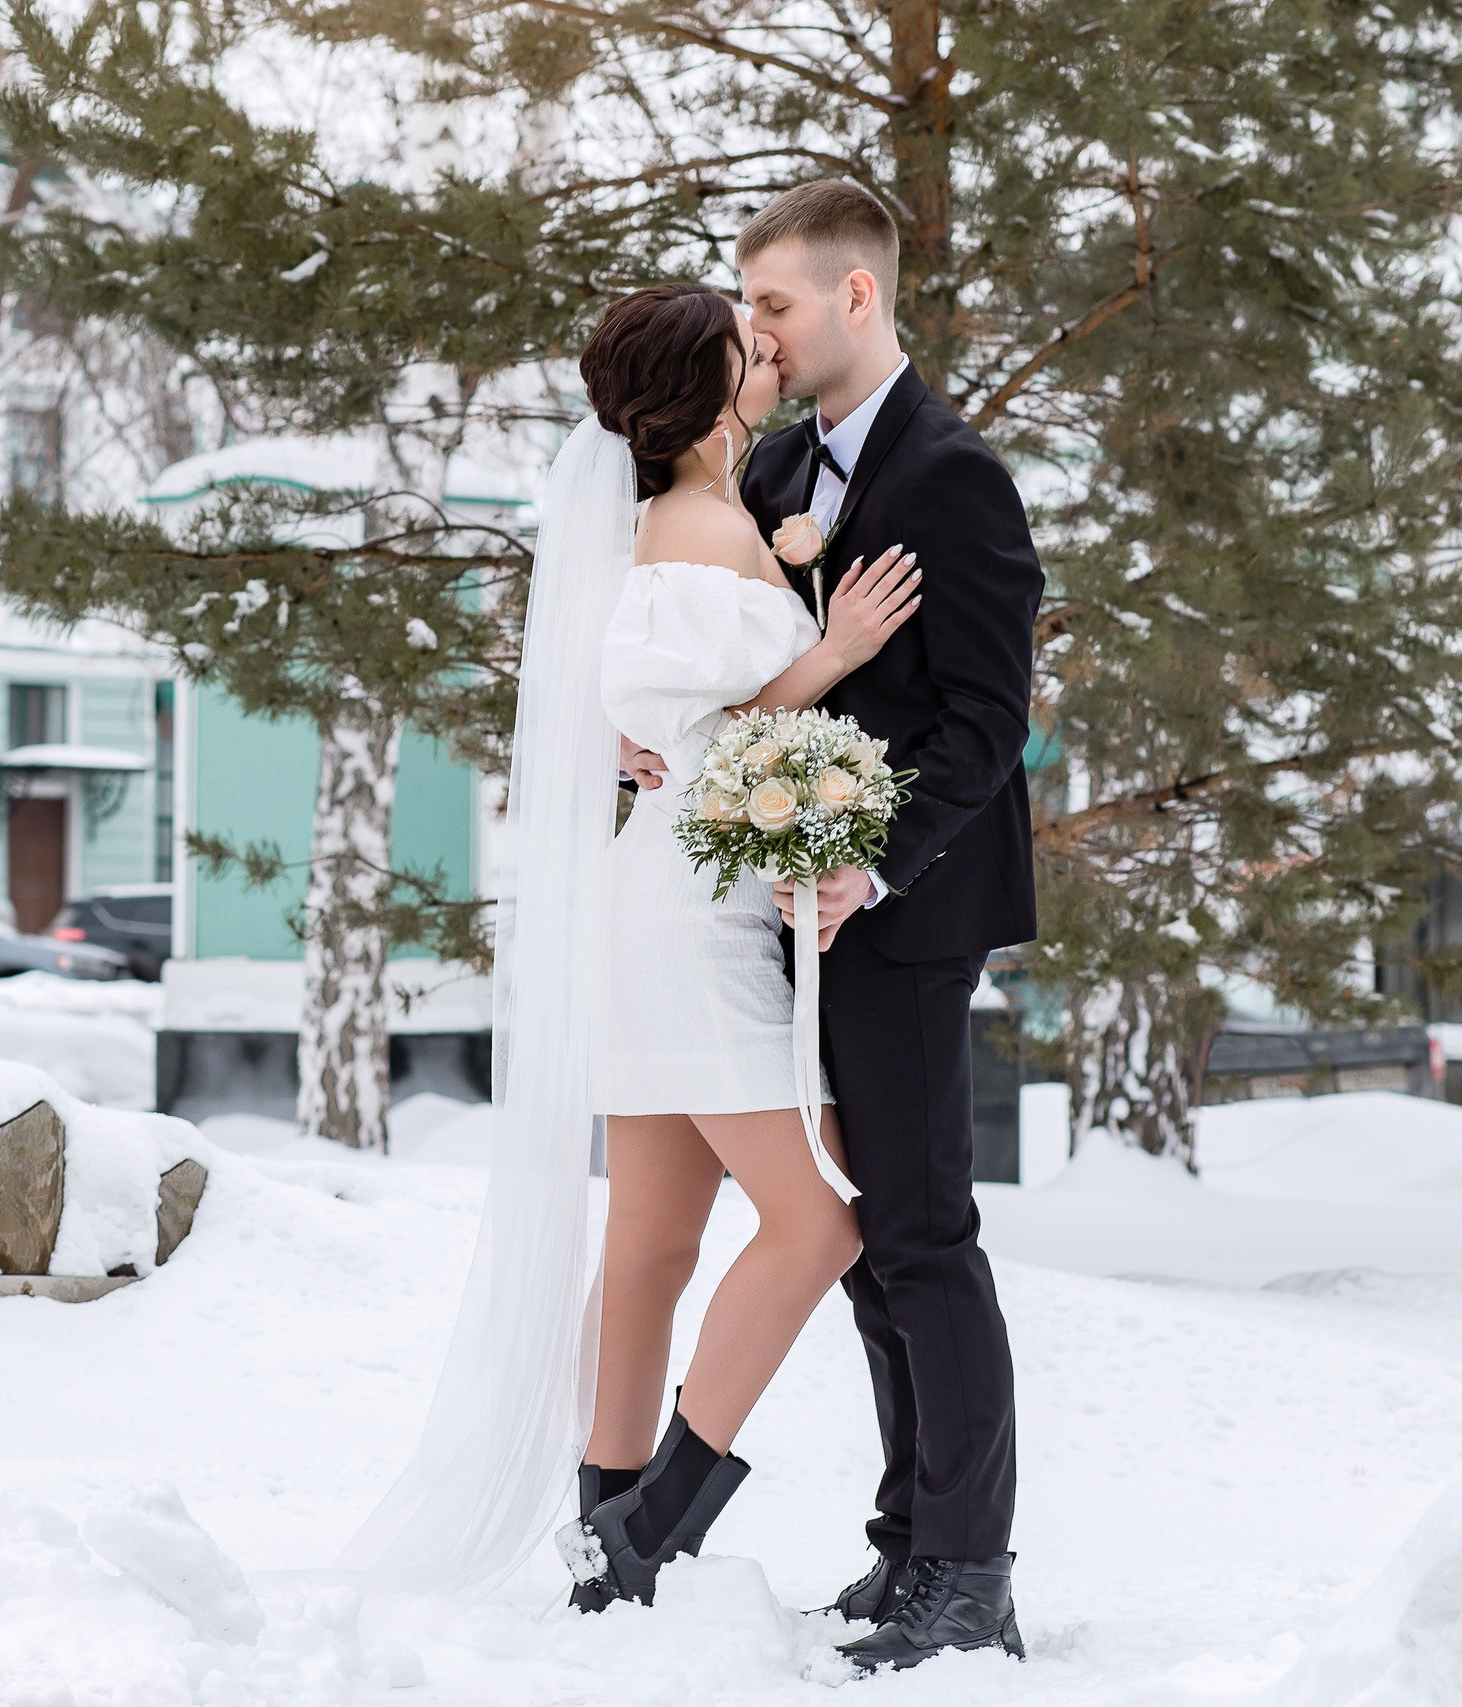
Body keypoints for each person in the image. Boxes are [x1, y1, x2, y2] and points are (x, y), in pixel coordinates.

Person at [342, 274, 936, 1638]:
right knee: (818, 1223)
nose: (768, 353)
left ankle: (606, 1519)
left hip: (664, 899)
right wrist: (838, 646)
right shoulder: (700, 527)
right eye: (746, 346)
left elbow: (669, 717)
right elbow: (718, 736)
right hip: (689, 916)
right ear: (709, 390)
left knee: (657, 1236)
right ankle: (653, 1518)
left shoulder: (687, 519)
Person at [634, 179, 1044, 1670]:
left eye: (776, 305)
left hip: (906, 910)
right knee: (872, 1249)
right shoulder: (781, 463)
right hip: (789, 907)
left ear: (856, 295)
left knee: (926, 1238)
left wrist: (873, 865)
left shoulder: (956, 476)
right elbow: (742, 655)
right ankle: (907, 1547)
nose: (758, 332)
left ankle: (971, 1578)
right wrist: (654, 731)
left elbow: (987, 718)